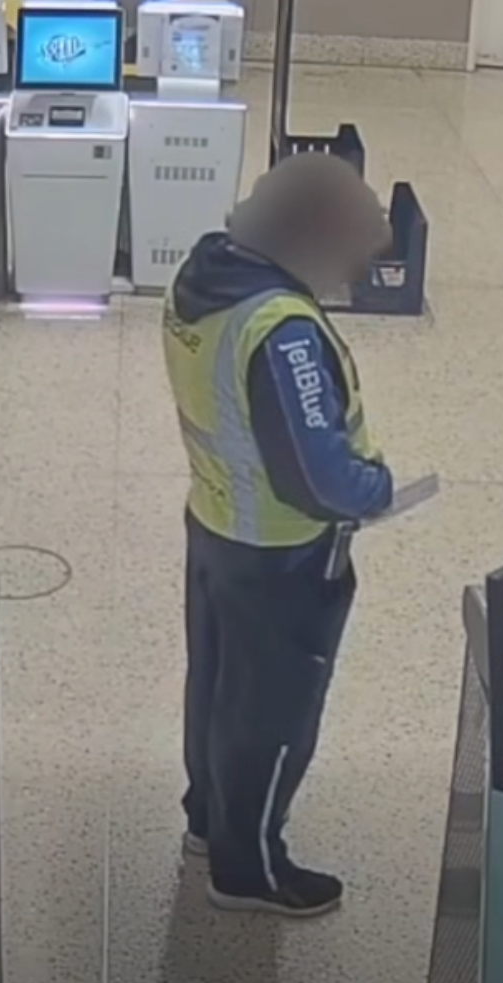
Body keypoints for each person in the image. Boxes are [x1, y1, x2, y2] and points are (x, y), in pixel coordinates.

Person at [163, 152, 395, 917]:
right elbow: (318, 475)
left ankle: (210, 822)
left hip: (217, 523)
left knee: (219, 690)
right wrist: (377, 488)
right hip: (283, 553)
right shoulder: (283, 330)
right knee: (273, 717)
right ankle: (249, 868)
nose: (349, 279)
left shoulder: (205, 278)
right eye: (350, 260)